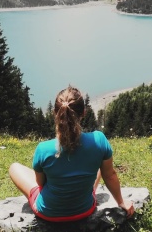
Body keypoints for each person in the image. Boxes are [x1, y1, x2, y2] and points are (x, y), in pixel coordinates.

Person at [9, 85, 135, 222]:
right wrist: (121, 202)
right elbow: (110, 176)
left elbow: (40, 184)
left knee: (14, 167)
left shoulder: (43, 149)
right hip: (85, 210)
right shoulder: (99, 140)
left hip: (48, 213)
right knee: (101, 169)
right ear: (83, 113)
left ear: (55, 113)